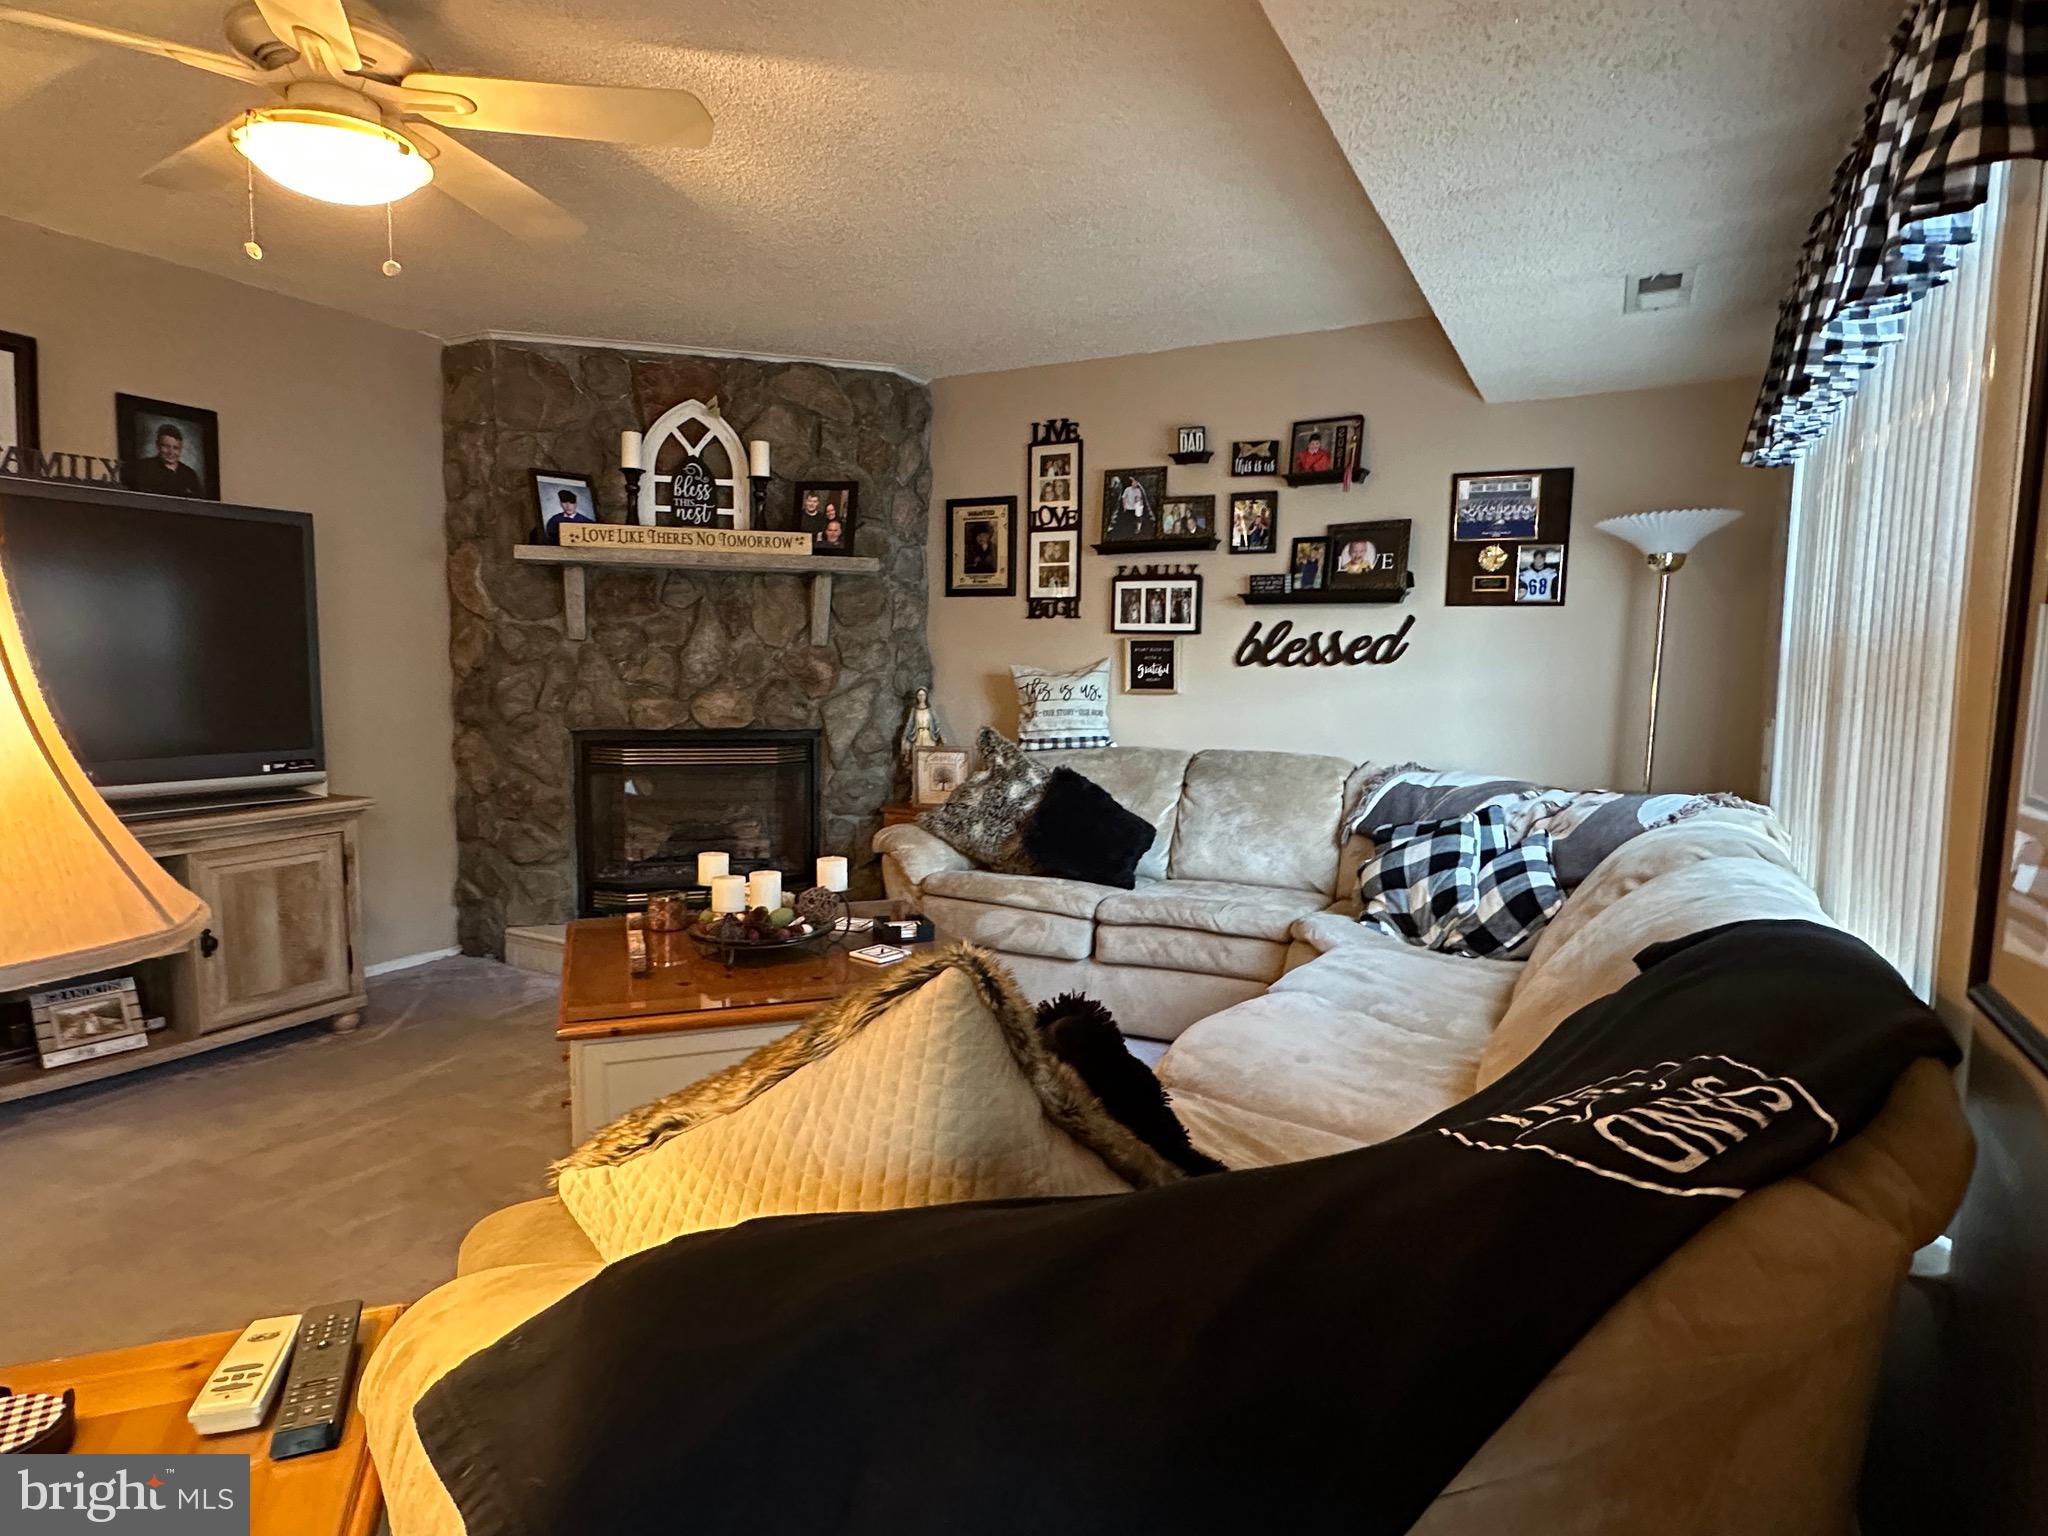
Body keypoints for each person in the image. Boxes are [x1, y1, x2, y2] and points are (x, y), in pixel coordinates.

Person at [128, 422, 204, 498]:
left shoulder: (190, 474)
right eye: (166, 446)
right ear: (157, 445)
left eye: (175, 448)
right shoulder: (143, 467)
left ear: (181, 449)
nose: (171, 452)